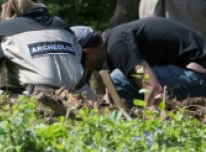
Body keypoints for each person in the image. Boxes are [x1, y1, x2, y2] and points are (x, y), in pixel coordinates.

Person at [75, 18, 206, 106]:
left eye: (80, 63)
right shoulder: (114, 40)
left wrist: (147, 127)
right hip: (192, 73)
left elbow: (153, 89)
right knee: (115, 82)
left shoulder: (117, 47)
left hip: (199, 77)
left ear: (86, 52)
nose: (85, 68)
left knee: (118, 80)